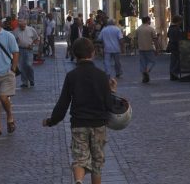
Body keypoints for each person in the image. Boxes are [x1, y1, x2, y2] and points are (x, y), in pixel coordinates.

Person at [42, 38, 118, 184]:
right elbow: (109, 105)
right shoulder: (102, 76)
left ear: (75, 55)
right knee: (97, 163)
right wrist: (112, 91)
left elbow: (63, 103)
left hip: (79, 123)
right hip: (98, 124)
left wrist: (51, 121)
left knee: (79, 159)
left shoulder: (72, 76)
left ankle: (78, 180)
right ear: (93, 53)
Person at [12, 19, 39, 88]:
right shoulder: (16, 31)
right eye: (21, 26)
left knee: (28, 65)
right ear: (19, 25)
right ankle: (24, 82)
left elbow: (37, 38)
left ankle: (31, 80)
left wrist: (32, 45)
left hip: (29, 50)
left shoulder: (31, 29)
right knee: (22, 66)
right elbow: (12, 41)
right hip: (20, 50)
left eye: (24, 25)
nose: (22, 27)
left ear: (26, 24)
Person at [135, 16, 160, 83]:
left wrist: (137, 46)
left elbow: (136, 39)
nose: (150, 22)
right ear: (148, 21)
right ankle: (147, 71)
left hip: (141, 48)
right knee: (152, 61)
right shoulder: (151, 29)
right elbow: (155, 40)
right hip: (149, 48)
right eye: (150, 20)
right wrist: (157, 49)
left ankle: (144, 74)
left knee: (143, 62)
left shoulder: (138, 29)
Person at [166, 15, 183, 81]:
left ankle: (172, 74)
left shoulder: (171, 28)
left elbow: (168, 35)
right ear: (178, 21)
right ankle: (174, 72)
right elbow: (179, 37)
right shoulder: (176, 28)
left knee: (173, 60)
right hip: (176, 45)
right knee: (178, 60)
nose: (181, 22)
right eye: (181, 21)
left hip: (172, 45)